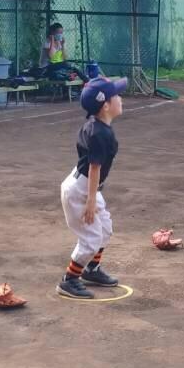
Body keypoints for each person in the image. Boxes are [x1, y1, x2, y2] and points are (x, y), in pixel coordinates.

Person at [58, 77, 128, 298]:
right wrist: (90, 201)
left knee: (105, 229)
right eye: (116, 95)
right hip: (82, 190)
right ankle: (69, 280)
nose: (121, 98)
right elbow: (94, 167)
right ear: (105, 106)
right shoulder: (100, 133)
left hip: (87, 186)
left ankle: (91, 269)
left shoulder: (97, 125)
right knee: (91, 239)